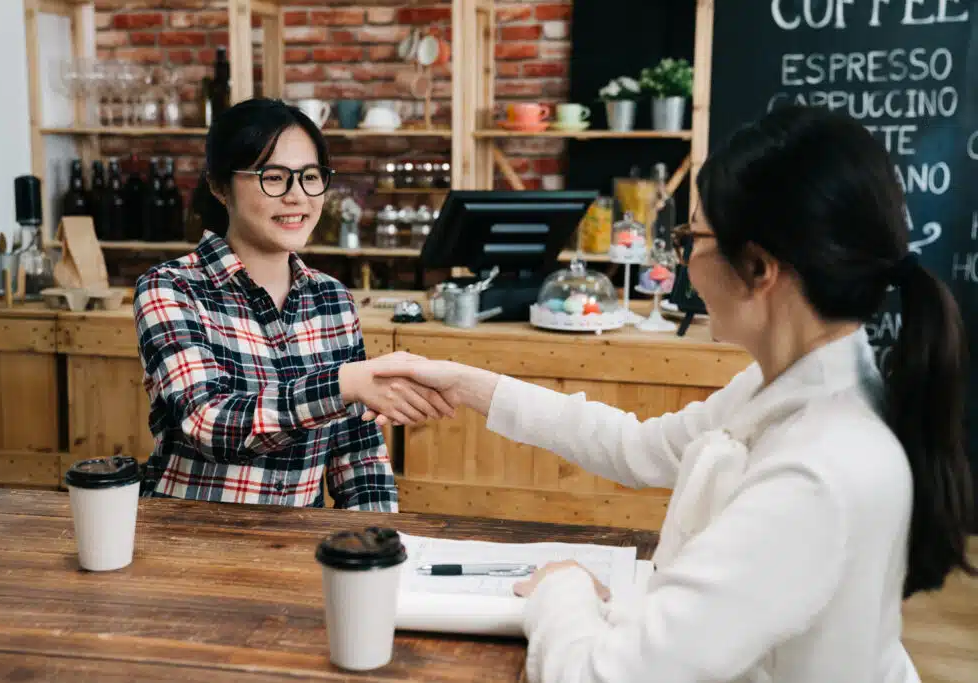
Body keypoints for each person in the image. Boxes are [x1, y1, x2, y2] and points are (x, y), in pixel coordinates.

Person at [364, 106, 976, 682]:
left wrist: (561, 588)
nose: (684, 266)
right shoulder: (788, 389)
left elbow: (600, 676)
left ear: (760, 268)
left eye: (692, 240)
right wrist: (472, 384)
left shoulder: (816, 472)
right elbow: (636, 446)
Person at [133, 98, 452, 511]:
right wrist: (343, 385)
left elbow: (358, 456)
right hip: (189, 542)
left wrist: (378, 553)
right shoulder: (171, 289)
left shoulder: (332, 299)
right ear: (218, 185)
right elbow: (208, 424)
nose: (297, 196)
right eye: (274, 177)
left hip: (299, 545)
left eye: (310, 177)